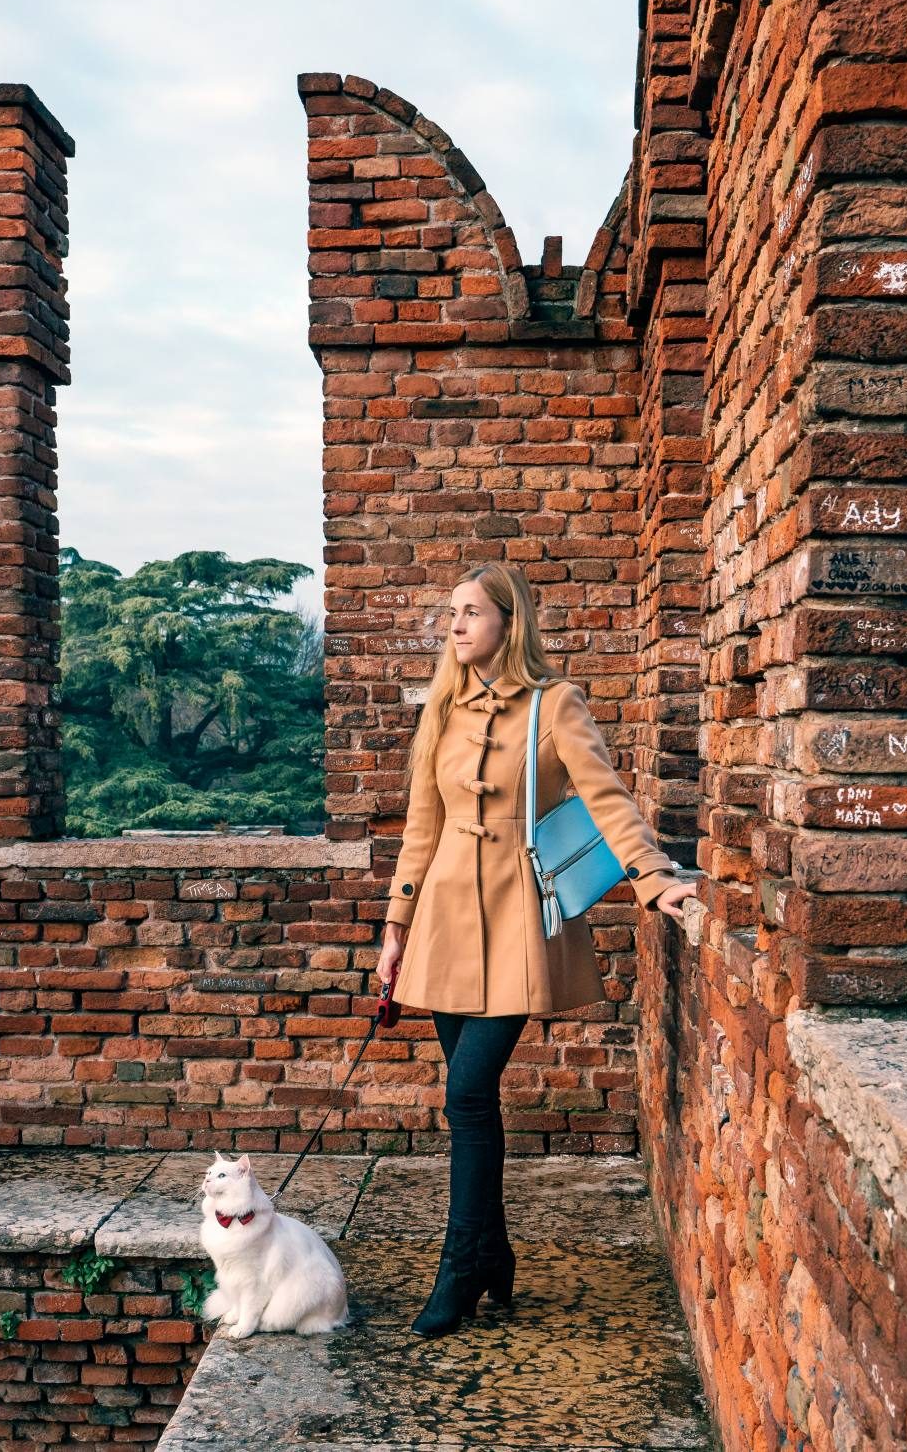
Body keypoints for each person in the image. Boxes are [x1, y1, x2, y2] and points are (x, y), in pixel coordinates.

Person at [376, 561, 700, 1339]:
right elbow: (421, 829)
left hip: (519, 919)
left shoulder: (555, 706)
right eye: (451, 613)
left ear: (507, 624)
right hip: (445, 924)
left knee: (465, 1093)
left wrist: (656, 879)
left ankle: (458, 1267)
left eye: (471, 613)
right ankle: (493, 1255)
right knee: (473, 1103)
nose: (455, 625)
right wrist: (395, 928)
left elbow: (608, 800)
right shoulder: (443, 711)